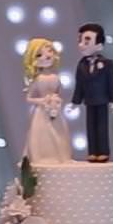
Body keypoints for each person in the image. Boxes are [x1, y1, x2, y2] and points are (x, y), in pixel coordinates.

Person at [70, 22, 113, 163]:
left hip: (102, 100)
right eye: (80, 40)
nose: (81, 44)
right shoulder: (81, 65)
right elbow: (79, 85)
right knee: (90, 127)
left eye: (87, 41)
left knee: (102, 127)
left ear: (99, 45)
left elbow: (112, 83)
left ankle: (103, 151)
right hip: (89, 101)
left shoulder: (108, 64)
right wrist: (75, 102)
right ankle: (92, 151)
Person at [21, 36, 75, 164]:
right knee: (43, 136)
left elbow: (58, 93)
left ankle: (61, 157)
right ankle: (43, 158)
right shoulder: (37, 79)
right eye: (40, 54)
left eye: (49, 51)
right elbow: (28, 98)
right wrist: (41, 101)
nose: (46, 56)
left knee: (59, 134)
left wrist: (56, 101)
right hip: (42, 113)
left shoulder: (56, 77)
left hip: (55, 111)